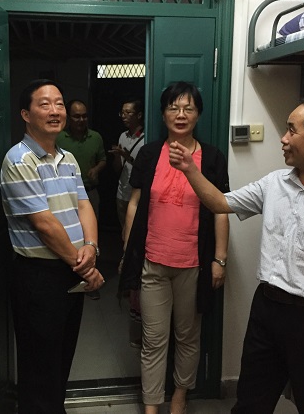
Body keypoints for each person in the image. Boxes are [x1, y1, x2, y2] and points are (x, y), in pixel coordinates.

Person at [169, 96, 304, 414]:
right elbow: (220, 202)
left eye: (292, 130)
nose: (283, 138)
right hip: (267, 310)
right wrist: (188, 168)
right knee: (250, 403)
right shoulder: (274, 184)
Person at [119, 81, 229, 414]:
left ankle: (180, 395)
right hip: (152, 262)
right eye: (173, 107)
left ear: (198, 115)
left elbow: (221, 209)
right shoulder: (150, 153)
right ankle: (152, 404)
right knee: (153, 340)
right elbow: (134, 203)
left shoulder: (212, 157)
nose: (180, 114)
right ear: (163, 113)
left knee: (187, 336)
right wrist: (127, 252)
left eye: (188, 108)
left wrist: (220, 259)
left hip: (193, 265)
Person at [0, 79, 105, 414]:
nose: (55, 110)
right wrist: (86, 267)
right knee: (39, 366)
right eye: (44, 104)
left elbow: (84, 205)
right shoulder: (20, 160)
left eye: (59, 103)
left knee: (61, 358)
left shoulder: (68, 158)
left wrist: (91, 246)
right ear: (25, 114)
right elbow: (44, 225)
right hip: (40, 275)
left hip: (70, 269)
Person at [109, 96, 145, 347]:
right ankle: (127, 284)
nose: (123, 116)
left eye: (128, 112)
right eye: (122, 112)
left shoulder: (146, 138)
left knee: (134, 241)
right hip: (122, 193)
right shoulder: (123, 136)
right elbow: (117, 169)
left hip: (138, 195)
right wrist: (118, 157)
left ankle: (133, 284)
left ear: (139, 115)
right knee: (124, 235)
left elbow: (142, 168)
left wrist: (127, 156)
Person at [56, 99, 107, 219]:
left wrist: (96, 169)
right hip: (66, 193)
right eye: (77, 116)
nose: (81, 120)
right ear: (68, 117)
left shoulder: (95, 137)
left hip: (90, 192)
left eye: (84, 116)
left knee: (91, 226)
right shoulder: (58, 138)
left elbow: (103, 160)